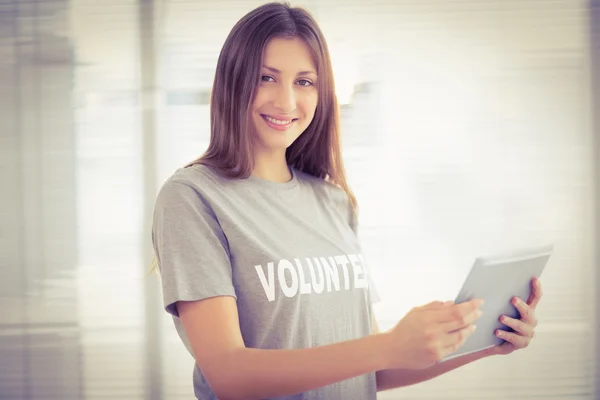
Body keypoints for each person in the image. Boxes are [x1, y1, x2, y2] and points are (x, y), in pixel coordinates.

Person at [151, 2, 544, 399]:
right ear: (232, 81)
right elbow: (229, 375)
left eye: (304, 82)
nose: (286, 101)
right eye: (266, 77)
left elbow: (372, 369)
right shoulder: (192, 197)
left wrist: (485, 343)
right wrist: (388, 344)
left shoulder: (334, 201)